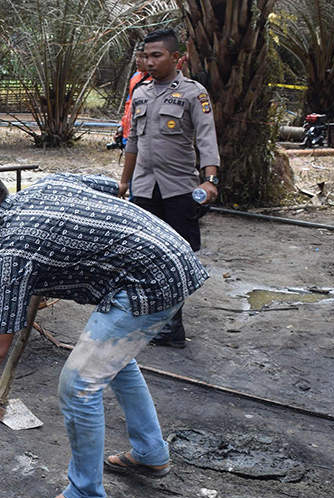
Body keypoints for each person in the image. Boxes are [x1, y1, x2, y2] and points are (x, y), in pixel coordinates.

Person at [0, 162, 208, 498]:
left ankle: (85, 495)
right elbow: (110, 185)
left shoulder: (14, 251)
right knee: (110, 361)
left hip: (150, 282)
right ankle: (151, 452)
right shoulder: (46, 186)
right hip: (172, 253)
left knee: (79, 384)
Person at [118, 27, 220, 348]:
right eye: (145, 56)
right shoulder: (140, 94)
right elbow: (133, 141)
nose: (149, 62)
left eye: (156, 55)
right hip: (145, 190)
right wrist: (124, 181)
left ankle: (172, 324)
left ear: (176, 57)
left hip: (179, 190)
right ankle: (151, 320)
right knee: (145, 256)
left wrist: (210, 179)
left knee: (176, 258)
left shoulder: (193, 93)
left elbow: (206, 138)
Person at [117, 43, 147, 148]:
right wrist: (122, 126)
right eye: (137, 56)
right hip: (128, 133)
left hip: (142, 137)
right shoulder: (135, 77)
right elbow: (128, 103)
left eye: (142, 56)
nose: (138, 60)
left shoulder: (156, 81)